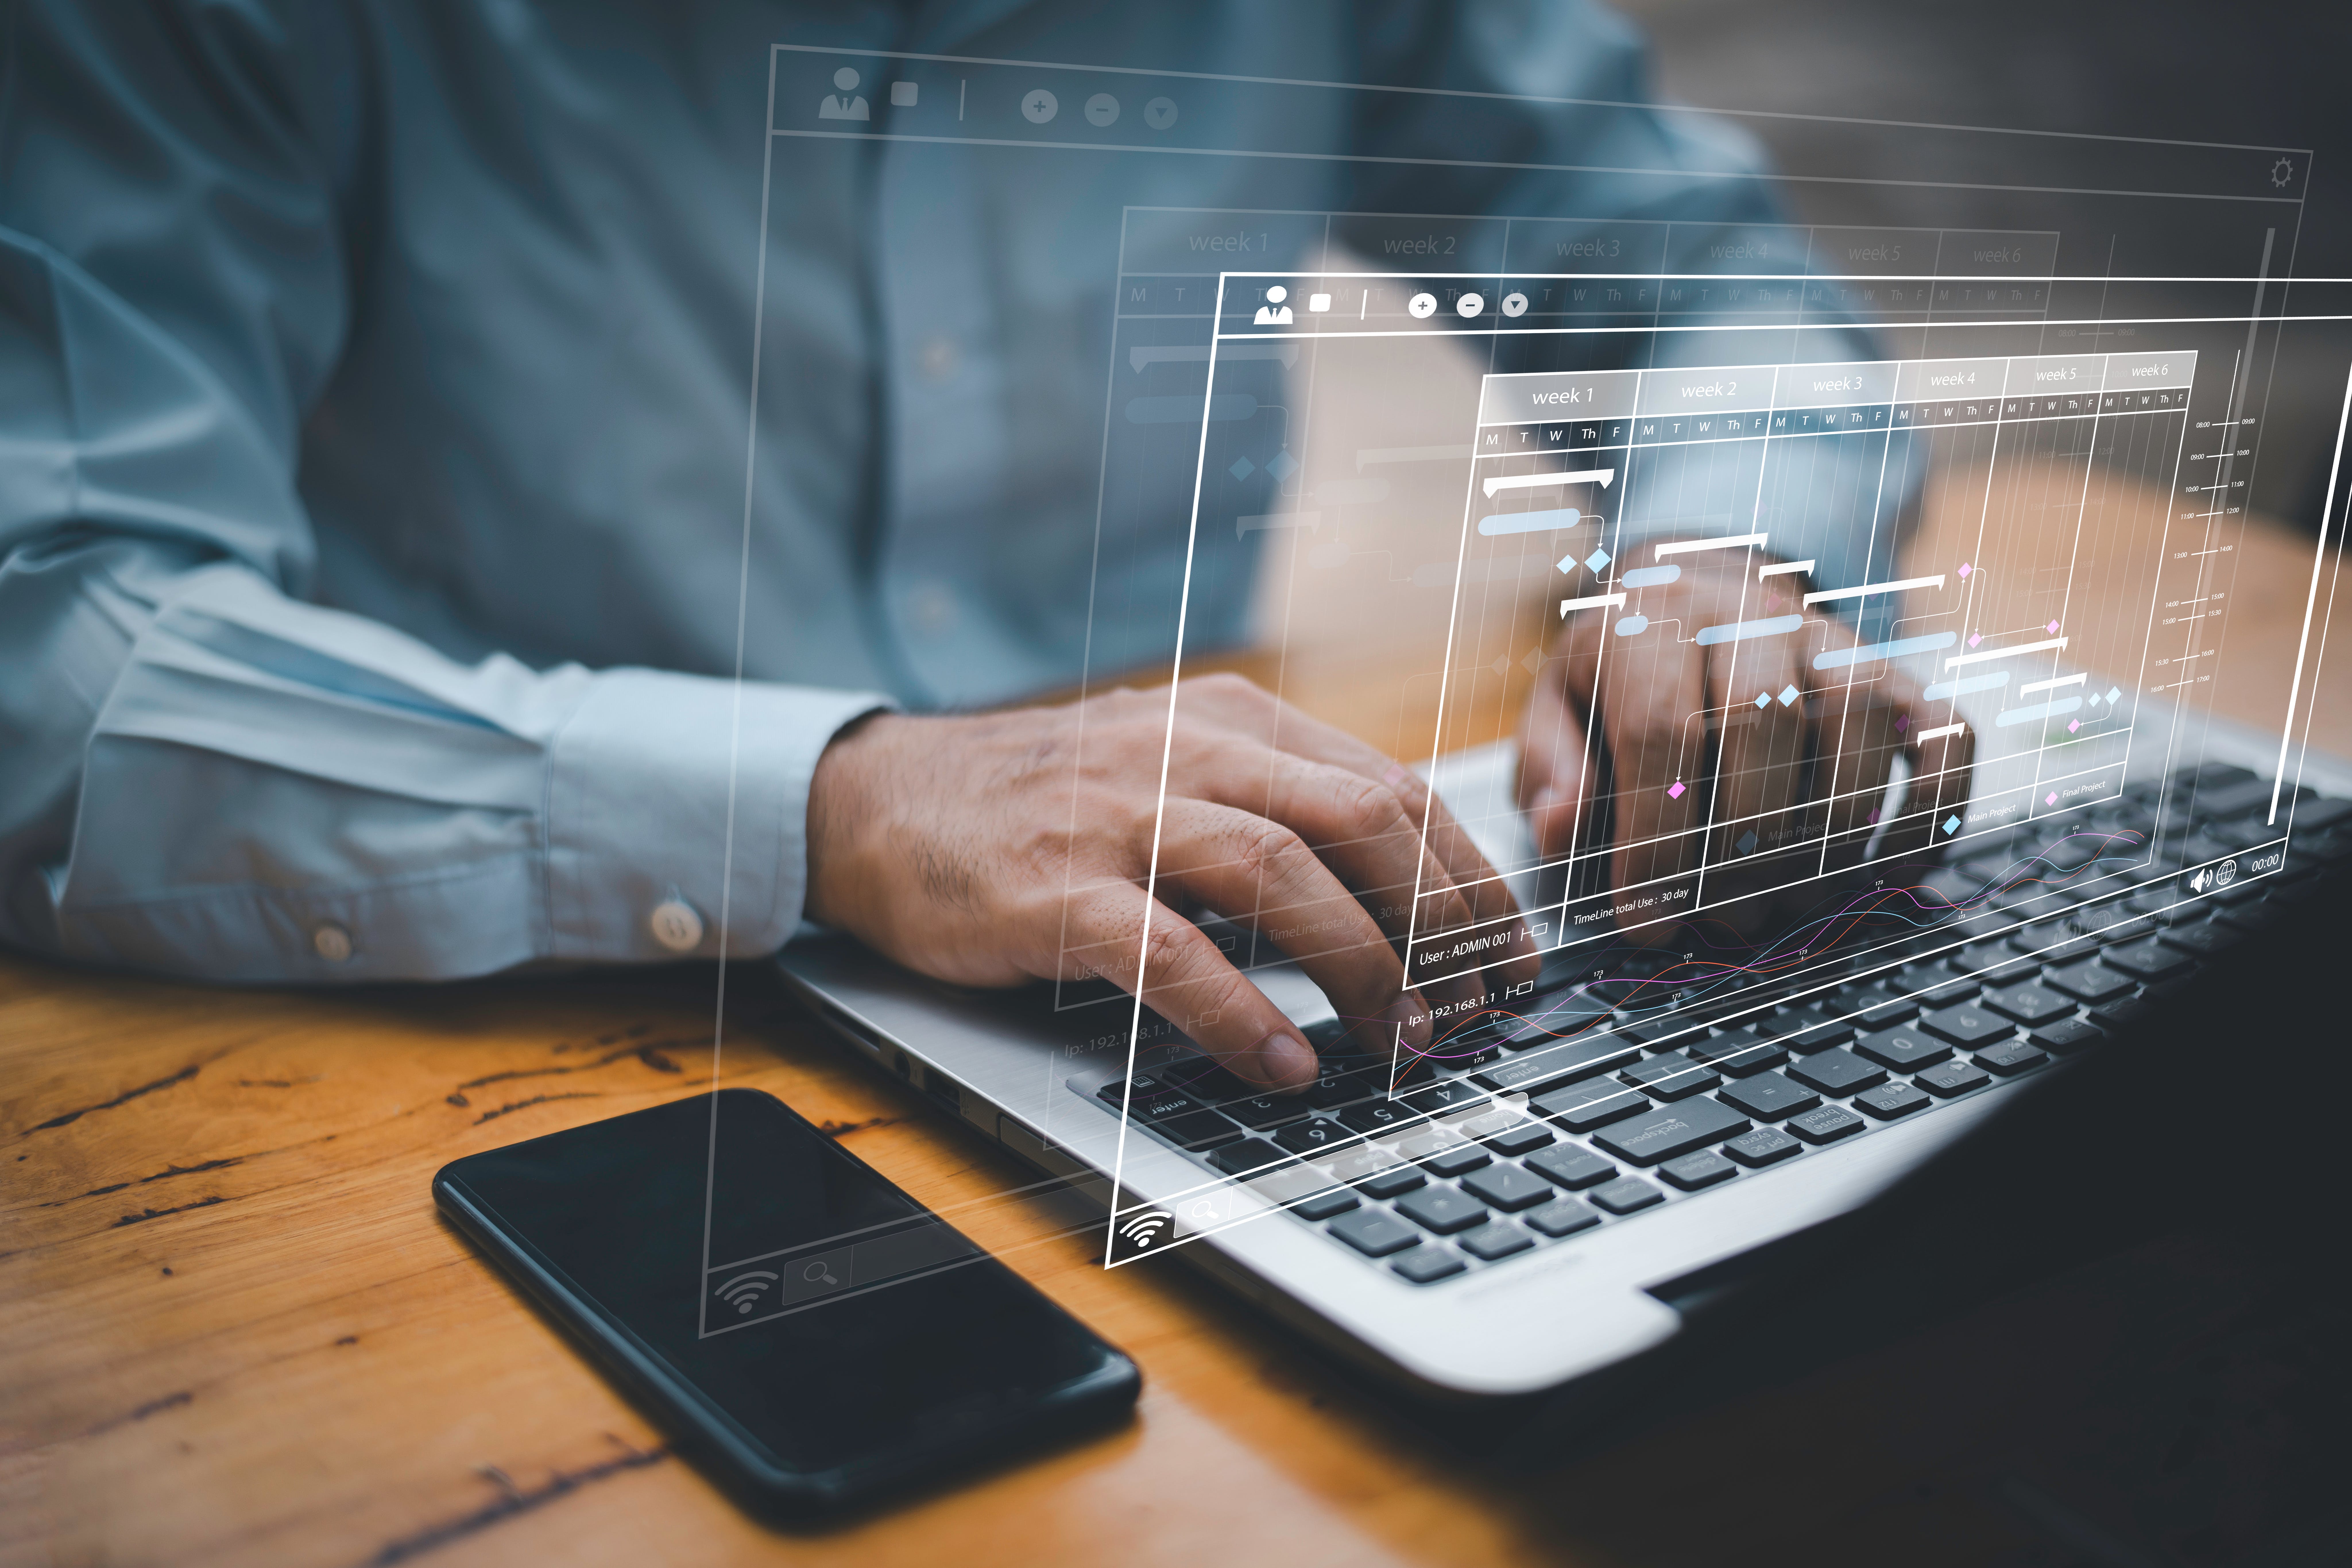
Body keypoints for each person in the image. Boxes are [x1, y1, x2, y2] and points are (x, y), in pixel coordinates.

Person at [0, 2, 1962, 1095]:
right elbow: (55, 643)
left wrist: (1718, 555)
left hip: (1219, 983)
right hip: (487, 1038)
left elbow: (1703, 282)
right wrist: (840, 800)